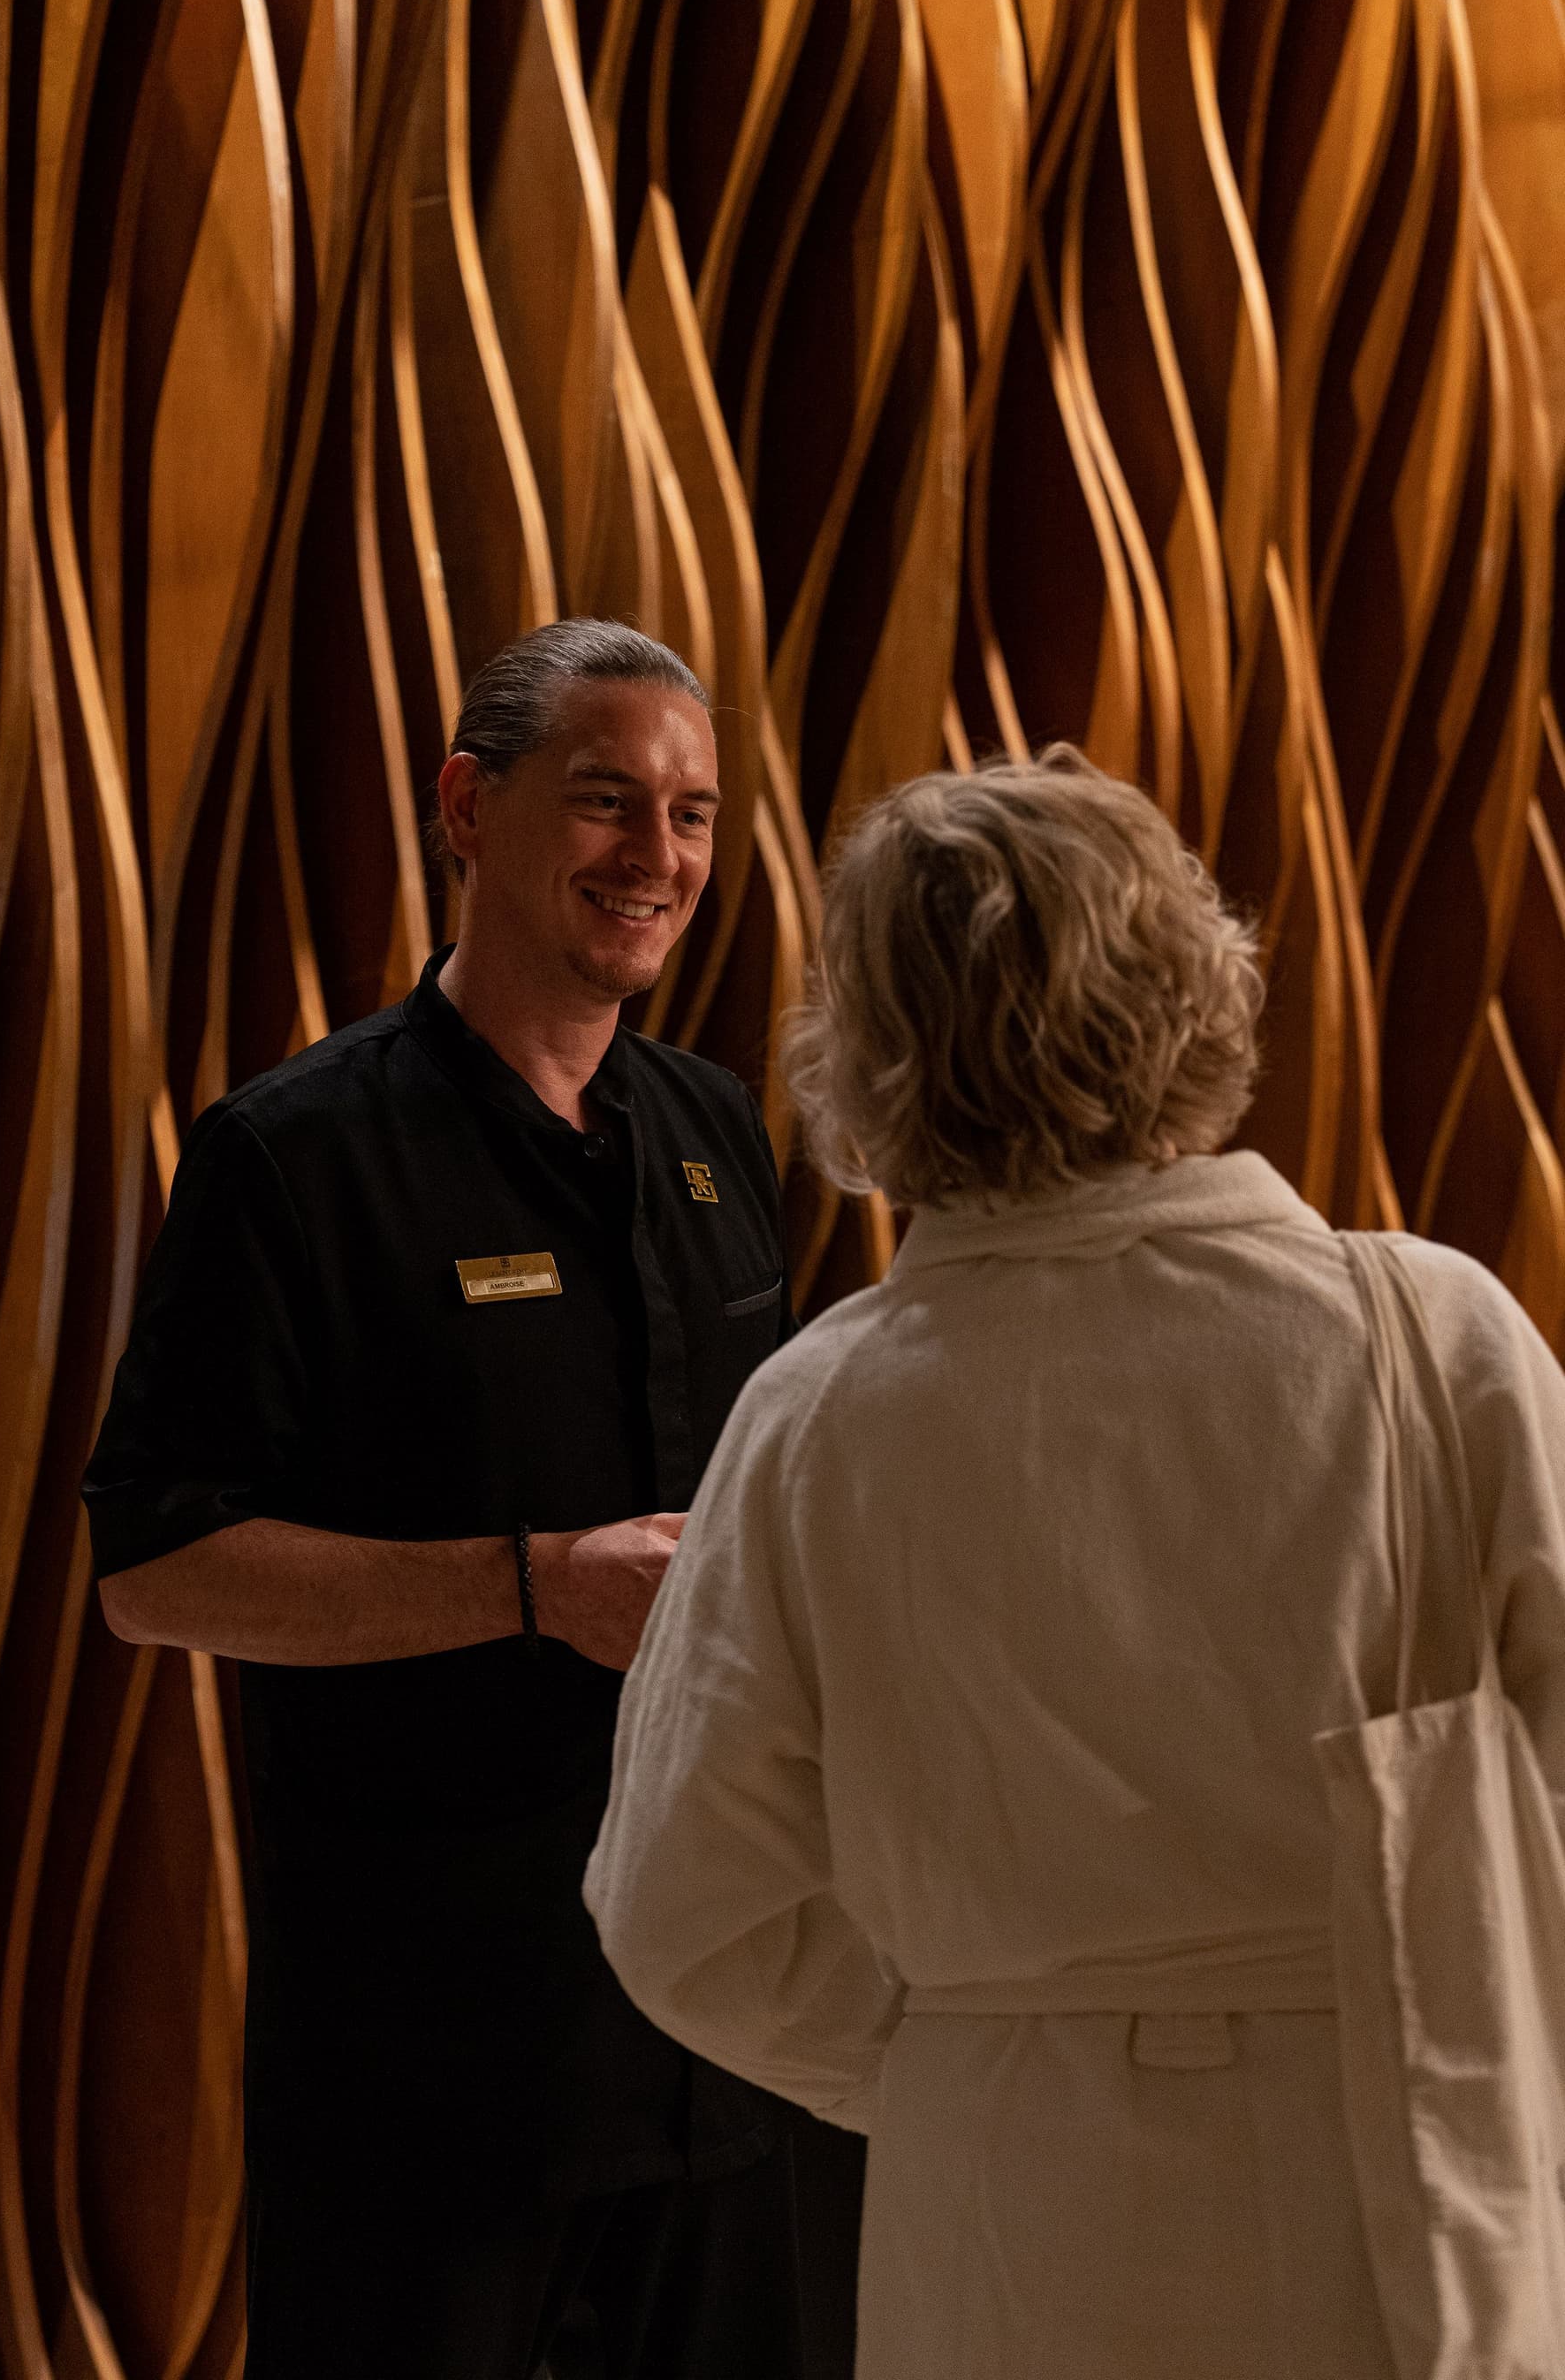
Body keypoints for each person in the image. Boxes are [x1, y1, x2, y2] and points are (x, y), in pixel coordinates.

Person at [584, 746, 1565, 2380]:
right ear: (1195, 977)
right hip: (1394, 2148)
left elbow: (683, 1907)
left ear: (872, 1042)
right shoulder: (1426, 1330)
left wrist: (963, 2044)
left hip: (1001, 2191)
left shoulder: (825, 1408)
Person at [84, 619, 863, 2380]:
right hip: (429, 2082)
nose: (653, 861)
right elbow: (154, 1568)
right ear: (465, 806)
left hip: (725, 2038)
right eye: (605, 803)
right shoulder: (293, 1155)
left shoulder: (716, 1128)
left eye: (688, 814)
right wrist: (530, 1585)